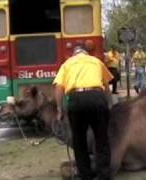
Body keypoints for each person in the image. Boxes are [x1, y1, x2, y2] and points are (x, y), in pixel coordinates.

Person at [53, 46, 113, 180]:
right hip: (97, 97)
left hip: (76, 100)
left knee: (79, 141)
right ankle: (104, 175)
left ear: (74, 54)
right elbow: (107, 86)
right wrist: (109, 104)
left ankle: (85, 175)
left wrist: (59, 110)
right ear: (86, 53)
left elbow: (58, 88)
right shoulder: (96, 61)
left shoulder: (67, 64)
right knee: (102, 139)